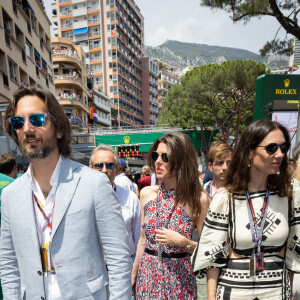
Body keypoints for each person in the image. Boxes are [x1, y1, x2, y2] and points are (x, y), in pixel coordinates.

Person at [0, 87, 132, 300]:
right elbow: (8, 264)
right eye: (18, 122)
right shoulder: (9, 195)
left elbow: (118, 257)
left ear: (59, 129)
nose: (27, 128)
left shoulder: (94, 183)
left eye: (36, 119)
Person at [192, 119, 300, 300]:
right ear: (250, 152)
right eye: (271, 148)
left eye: (283, 147)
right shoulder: (227, 197)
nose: (280, 154)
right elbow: (212, 256)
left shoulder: (291, 193)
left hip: (276, 291)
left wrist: (286, 294)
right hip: (233, 291)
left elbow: (293, 255)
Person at [132, 132, 209, 299]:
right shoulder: (146, 194)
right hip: (148, 277)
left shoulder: (199, 199)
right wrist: (134, 274)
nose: (158, 161)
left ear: (180, 160)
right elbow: (143, 240)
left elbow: (208, 250)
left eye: (165, 157)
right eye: (155, 156)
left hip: (180, 279)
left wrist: (184, 242)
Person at [90, 144, 141, 259]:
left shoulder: (131, 198)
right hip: (96, 267)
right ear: (91, 169)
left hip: (126, 262)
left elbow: (139, 237)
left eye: (109, 165)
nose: (104, 170)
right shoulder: (81, 199)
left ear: (117, 169)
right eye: (98, 165)